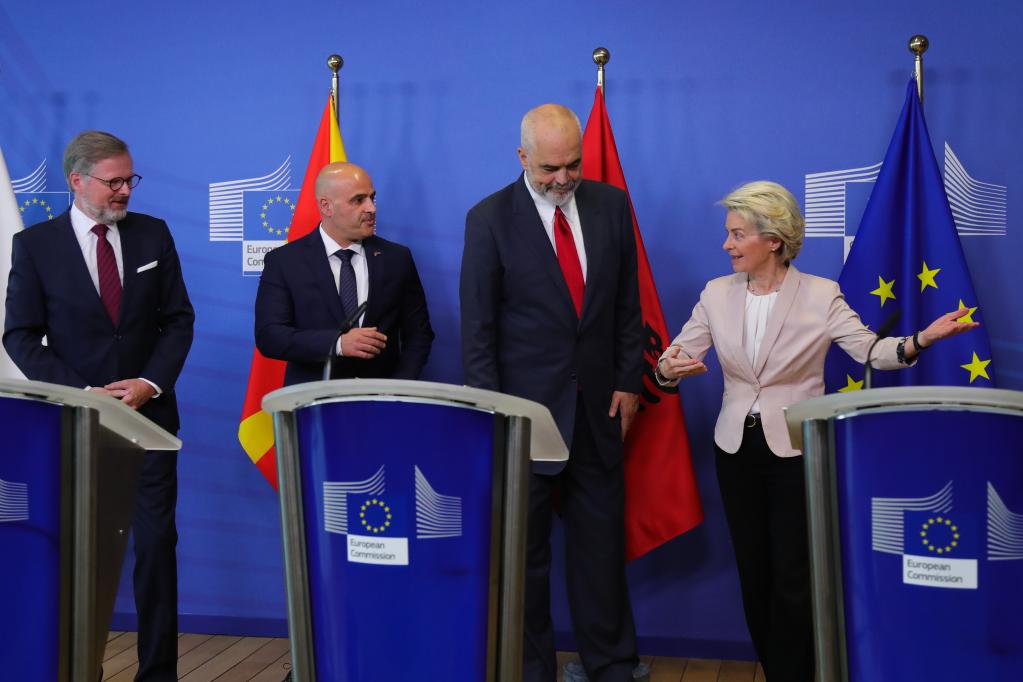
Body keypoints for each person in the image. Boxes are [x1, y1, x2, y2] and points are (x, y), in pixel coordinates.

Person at [656, 181, 977, 681]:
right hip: (735, 450)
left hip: (796, 451)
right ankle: (776, 668)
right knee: (754, 574)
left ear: (773, 241)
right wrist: (667, 370)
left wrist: (922, 339)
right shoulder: (716, 294)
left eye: (737, 235)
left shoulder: (821, 294)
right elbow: (675, 356)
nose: (726, 244)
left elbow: (872, 352)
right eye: (728, 233)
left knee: (793, 576)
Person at [460, 103, 646, 682]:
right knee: (524, 557)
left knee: (600, 552)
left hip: (598, 410)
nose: (563, 178)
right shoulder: (488, 219)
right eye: (549, 168)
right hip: (523, 418)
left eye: (573, 165)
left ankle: (611, 666)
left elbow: (627, 305)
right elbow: (478, 329)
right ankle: (530, 670)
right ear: (522, 157)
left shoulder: (612, 205)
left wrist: (628, 381)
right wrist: (494, 415)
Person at [4, 130, 195, 681]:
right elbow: (20, 335)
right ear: (77, 181)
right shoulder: (36, 246)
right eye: (114, 182)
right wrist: (81, 396)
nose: (125, 191)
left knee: (156, 545)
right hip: (74, 427)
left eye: (130, 180)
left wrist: (150, 383)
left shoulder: (153, 234)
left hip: (148, 420)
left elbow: (178, 320)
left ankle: (158, 674)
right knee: (68, 550)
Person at [255, 162, 433, 386]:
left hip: (382, 398)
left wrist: (397, 388)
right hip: (313, 398)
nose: (371, 208)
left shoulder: (397, 258)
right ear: (326, 206)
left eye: (372, 198)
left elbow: (419, 335)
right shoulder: (284, 261)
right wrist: (338, 344)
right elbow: (270, 336)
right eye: (358, 200)